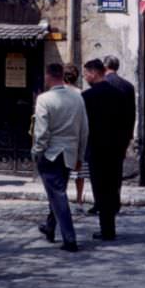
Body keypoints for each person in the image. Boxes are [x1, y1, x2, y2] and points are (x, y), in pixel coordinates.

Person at [32, 62, 88, 253]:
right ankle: (50, 227)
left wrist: (37, 151)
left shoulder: (44, 99)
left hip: (50, 153)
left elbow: (41, 132)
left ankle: (69, 238)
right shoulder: (77, 97)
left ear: (49, 76)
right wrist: (80, 155)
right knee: (57, 192)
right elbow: (84, 130)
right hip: (70, 153)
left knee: (58, 195)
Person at [82, 58, 128, 242]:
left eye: (86, 74)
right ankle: (110, 227)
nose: (85, 77)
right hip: (115, 149)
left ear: (94, 73)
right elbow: (125, 124)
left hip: (96, 149)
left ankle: (106, 228)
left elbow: (83, 126)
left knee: (99, 189)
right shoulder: (119, 95)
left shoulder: (87, 97)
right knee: (111, 188)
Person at [104, 55, 136, 208]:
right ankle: (115, 199)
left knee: (103, 171)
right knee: (117, 169)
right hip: (122, 134)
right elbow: (132, 113)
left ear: (105, 67)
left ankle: (104, 202)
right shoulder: (128, 86)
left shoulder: (102, 85)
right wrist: (129, 135)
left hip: (104, 134)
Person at [63, 64, 91, 213]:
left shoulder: (57, 94)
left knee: (62, 175)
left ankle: (62, 201)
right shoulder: (81, 94)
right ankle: (79, 201)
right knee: (79, 174)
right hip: (77, 138)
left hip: (62, 139)